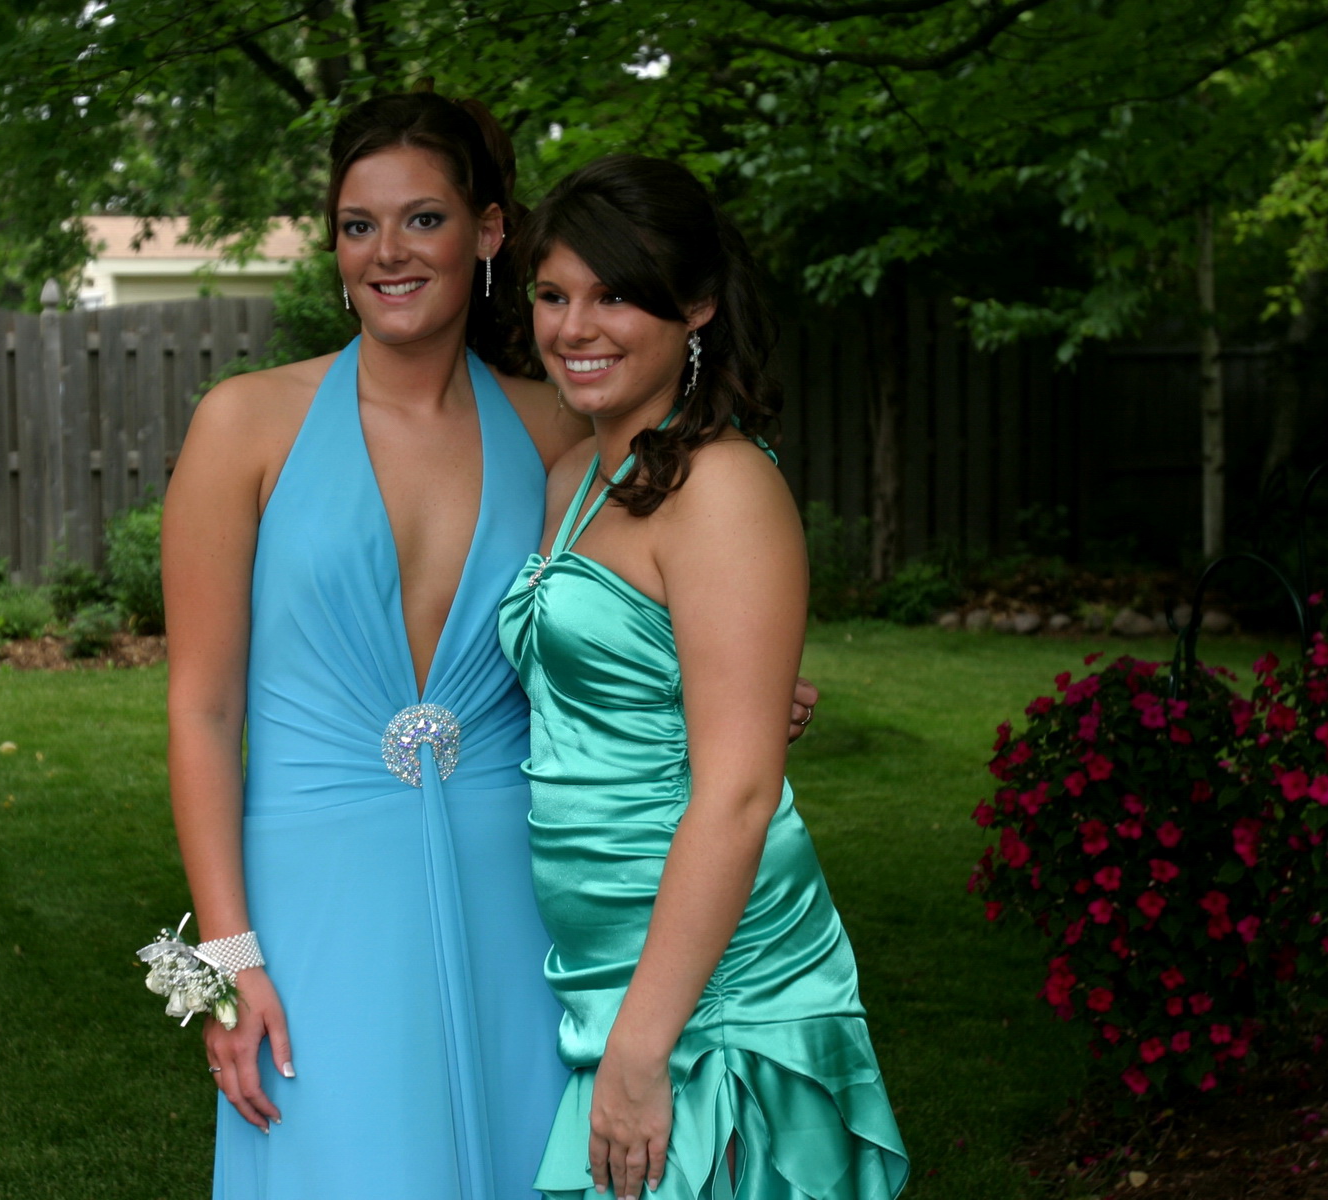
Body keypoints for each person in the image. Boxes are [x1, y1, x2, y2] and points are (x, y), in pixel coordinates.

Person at [161, 93, 821, 1199]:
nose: (387, 252)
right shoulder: (243, 425)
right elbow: (201, 709)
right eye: (358, 225)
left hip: (523, 891)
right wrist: (228, 959)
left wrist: (727, 685)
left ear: (489, 231)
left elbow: (651, 605)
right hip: (313, 894)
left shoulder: (561, 425)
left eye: (422, 218)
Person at [499, 155, 909, 1200]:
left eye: (614, 296)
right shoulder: (576, 474)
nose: (574, 327)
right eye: (553, 294)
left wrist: (643, 1048)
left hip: (707, 982)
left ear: (695, 308)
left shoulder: (722, 486)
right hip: (607, 969)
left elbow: (737, 792)